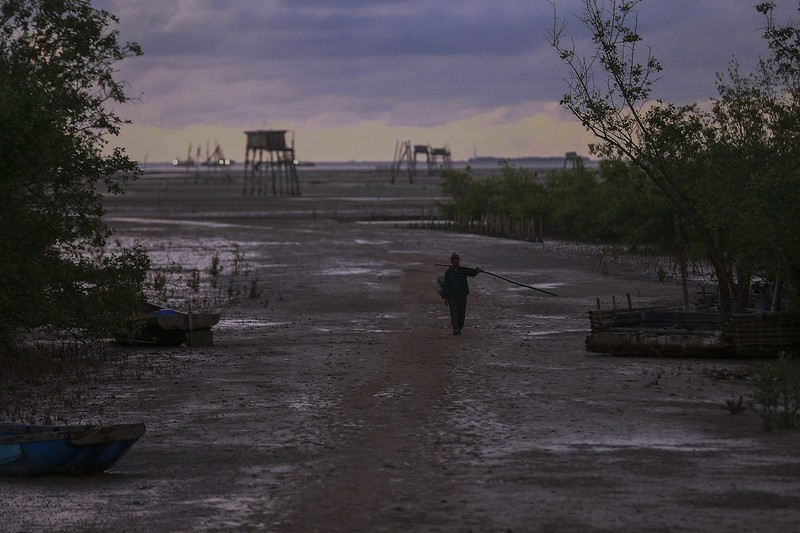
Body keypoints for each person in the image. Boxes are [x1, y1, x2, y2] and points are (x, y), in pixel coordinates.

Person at [441, 251, 481, 335]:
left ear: (459, 260)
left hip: (462, 295)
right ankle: (455, 329)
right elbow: (446, 285)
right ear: (451, 261)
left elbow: (472, 273)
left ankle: (459, 328)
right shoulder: (448, 272)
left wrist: (477, 270)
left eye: (456, 258)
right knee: (454, 313)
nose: (454, 260)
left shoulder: (463, 270)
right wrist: (445, 297)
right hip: (452, 296)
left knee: (461, 314)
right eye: (453, 259)